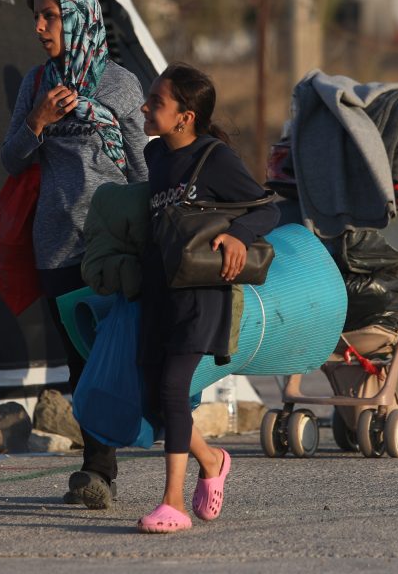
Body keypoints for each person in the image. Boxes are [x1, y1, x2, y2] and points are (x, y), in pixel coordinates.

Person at [1, 0, 149, 509]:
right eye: (37, 17)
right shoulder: (36, 82)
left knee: (116, 352)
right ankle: (98, 469)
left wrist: (153, 230)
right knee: (79, 362)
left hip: (110, 242)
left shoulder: (121, 85)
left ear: (79, 17)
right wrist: (38, 120)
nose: (40, 27)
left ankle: (108, 462)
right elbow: (12, 158)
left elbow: (139, 165)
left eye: (51, 16)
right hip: (55, 244)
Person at [136, 63, 278, 533]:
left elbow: (267, 207)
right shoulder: (155, 156)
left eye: (157, 102)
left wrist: (238, 235)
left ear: (185, 117)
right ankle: (213, 460)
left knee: (175, 387)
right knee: (153, 398)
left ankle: (172, 501)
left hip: (201, 293)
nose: (145, 107)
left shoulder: (215, 158)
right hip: (159, 290)